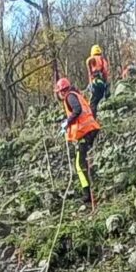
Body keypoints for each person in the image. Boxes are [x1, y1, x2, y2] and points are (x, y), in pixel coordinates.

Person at [55, 77, 101, 210]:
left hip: (85, 132)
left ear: (61, 91)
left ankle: (88, 195)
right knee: (82, 162)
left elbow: (77, 110)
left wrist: (67, 122)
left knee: (79, 164)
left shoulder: (70, 97)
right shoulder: (76, 94)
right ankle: (90, 188)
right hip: (90, 129)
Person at [85, 43, 111, 116]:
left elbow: (90, 74)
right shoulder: (103, 60)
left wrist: (90, 84)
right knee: (102, 98)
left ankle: (93, 117)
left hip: (94, 83)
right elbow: (105, 72)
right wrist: (106, 83)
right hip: (101, 83)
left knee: (93, 102)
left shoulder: (90, 60)